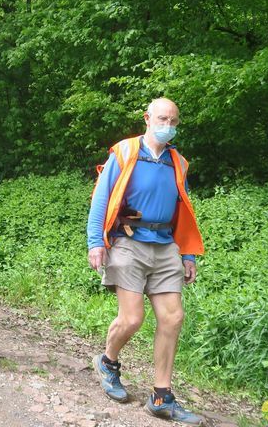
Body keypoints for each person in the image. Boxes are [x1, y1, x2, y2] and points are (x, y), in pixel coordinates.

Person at [86, 98, 205, 425]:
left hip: (166, 245)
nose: (168, 124)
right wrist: (96, 242)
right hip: (129, 242)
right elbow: (101, 198)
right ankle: (108, 362)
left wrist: (188, 252)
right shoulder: (124, 152)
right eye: (162, 118)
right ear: (148, 119)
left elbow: (183, 209)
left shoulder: (177, 162)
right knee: (132, 319)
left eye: (174, 120)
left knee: (173, 317)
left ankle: (161, 397)